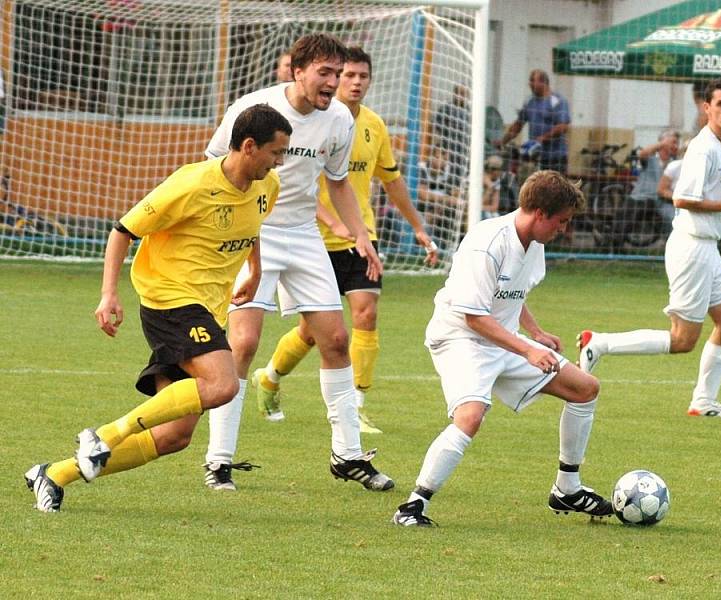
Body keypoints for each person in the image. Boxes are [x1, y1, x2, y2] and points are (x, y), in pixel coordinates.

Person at [23, 104, 292, 512]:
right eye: (276, 152)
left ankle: (54, 475)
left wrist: (253, 271)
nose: (281, 162)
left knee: (174, 437)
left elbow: (251, 225)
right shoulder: (191, 184)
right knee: (224, 384)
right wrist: (108, 294)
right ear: (249, 146)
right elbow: (123, 231)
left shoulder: (266, 186)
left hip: (208, 308)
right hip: (170, 298)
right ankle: (105, 436)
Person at [203, 33, 394, 492]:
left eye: (337, 73)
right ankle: (218, 460)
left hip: (304, 235)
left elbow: (339, 183)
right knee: (244, 343)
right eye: (324, 73)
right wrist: (225, 230)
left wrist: (362, 236)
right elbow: (212, 168)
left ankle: (347, 455)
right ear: (298, 71)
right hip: (255, 233)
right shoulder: (255, 109)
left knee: (336, 338)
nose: (332, 82)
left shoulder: (339, 122)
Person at [392, 170, 613, 527]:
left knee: (584, 388)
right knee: (470, 417)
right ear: (540, 213)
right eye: (561, 221)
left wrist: (535, 332)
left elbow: (512, 293)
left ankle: (567, 489)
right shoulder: (487, 243)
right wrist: (527, 351)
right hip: (460, 338)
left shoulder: (534, 244)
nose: (564, 230)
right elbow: (474, 317)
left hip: (502, 337)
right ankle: (413, 506)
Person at [255, 46, 438, 434]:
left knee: (366, 314)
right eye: (347, 75)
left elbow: (391, 180)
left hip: (359, 236)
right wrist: (331, 221)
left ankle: (356, 404)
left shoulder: (372, 126)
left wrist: (417, 226)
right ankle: (270, 376)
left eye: (361, 76)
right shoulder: (314, 122)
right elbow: (301, 183)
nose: (353, 83)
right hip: (309, 237)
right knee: (313, 332)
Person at [577, 79, 721, 420]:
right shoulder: (704, 148)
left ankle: (704, 402)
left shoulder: (719, 146)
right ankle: (600, 343)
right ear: (706, 107)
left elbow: (710, 198)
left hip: (707, 249)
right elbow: (683, 198)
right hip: (691, 248)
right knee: (683, 341)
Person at [495, 70, 570, 174]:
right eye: (530, 81)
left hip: (555, 157)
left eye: (532, 80)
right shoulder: (529, 101)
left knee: (556, 187)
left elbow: (563, 127)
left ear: (543, 82)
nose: (529, 84)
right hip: (535, 156)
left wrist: (542, 138)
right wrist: (503, 141)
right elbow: (518, 125)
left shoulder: (558, 101)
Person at [628, 129, 680, 233]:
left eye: (677, 143)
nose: (675, 146)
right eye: (673, 142)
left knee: (676, 218)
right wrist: (663, 143)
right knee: (629, 216)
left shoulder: (675, 163)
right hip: (643, 198)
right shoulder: (650, 158)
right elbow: (642, 154)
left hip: (663, 202)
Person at [433, 85, 470, 177]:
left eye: (464, 94)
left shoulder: (469, 111)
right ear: (455, 94)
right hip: (448, 146)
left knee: (462, 171)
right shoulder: (446, 109)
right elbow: (438, 126)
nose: (461, 96)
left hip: (463, 148)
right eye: (460, 93)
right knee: (449, 171)